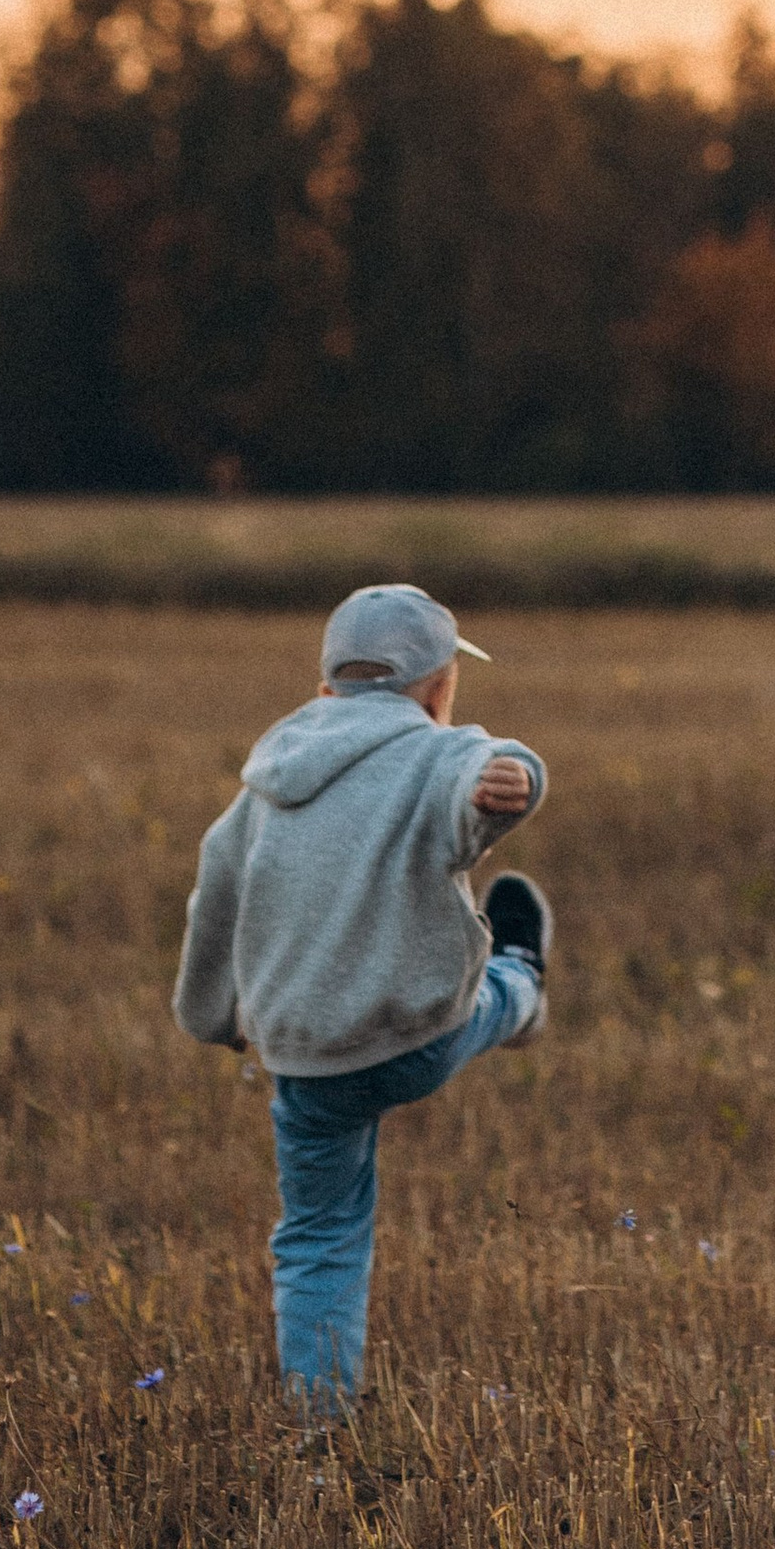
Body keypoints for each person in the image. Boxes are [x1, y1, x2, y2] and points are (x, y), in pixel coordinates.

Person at [173, 581, 554, 1411]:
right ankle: (524, 978)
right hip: (417, 1032)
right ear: (440, 688)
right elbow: (483, 777)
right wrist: (512, 779)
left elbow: (216, 893)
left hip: (307, 1057)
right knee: (490, 998)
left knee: (317, 1234)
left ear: (324, 689)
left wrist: (212, 1016)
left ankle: (320, 1424)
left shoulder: (265, 782)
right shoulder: (439, 751)